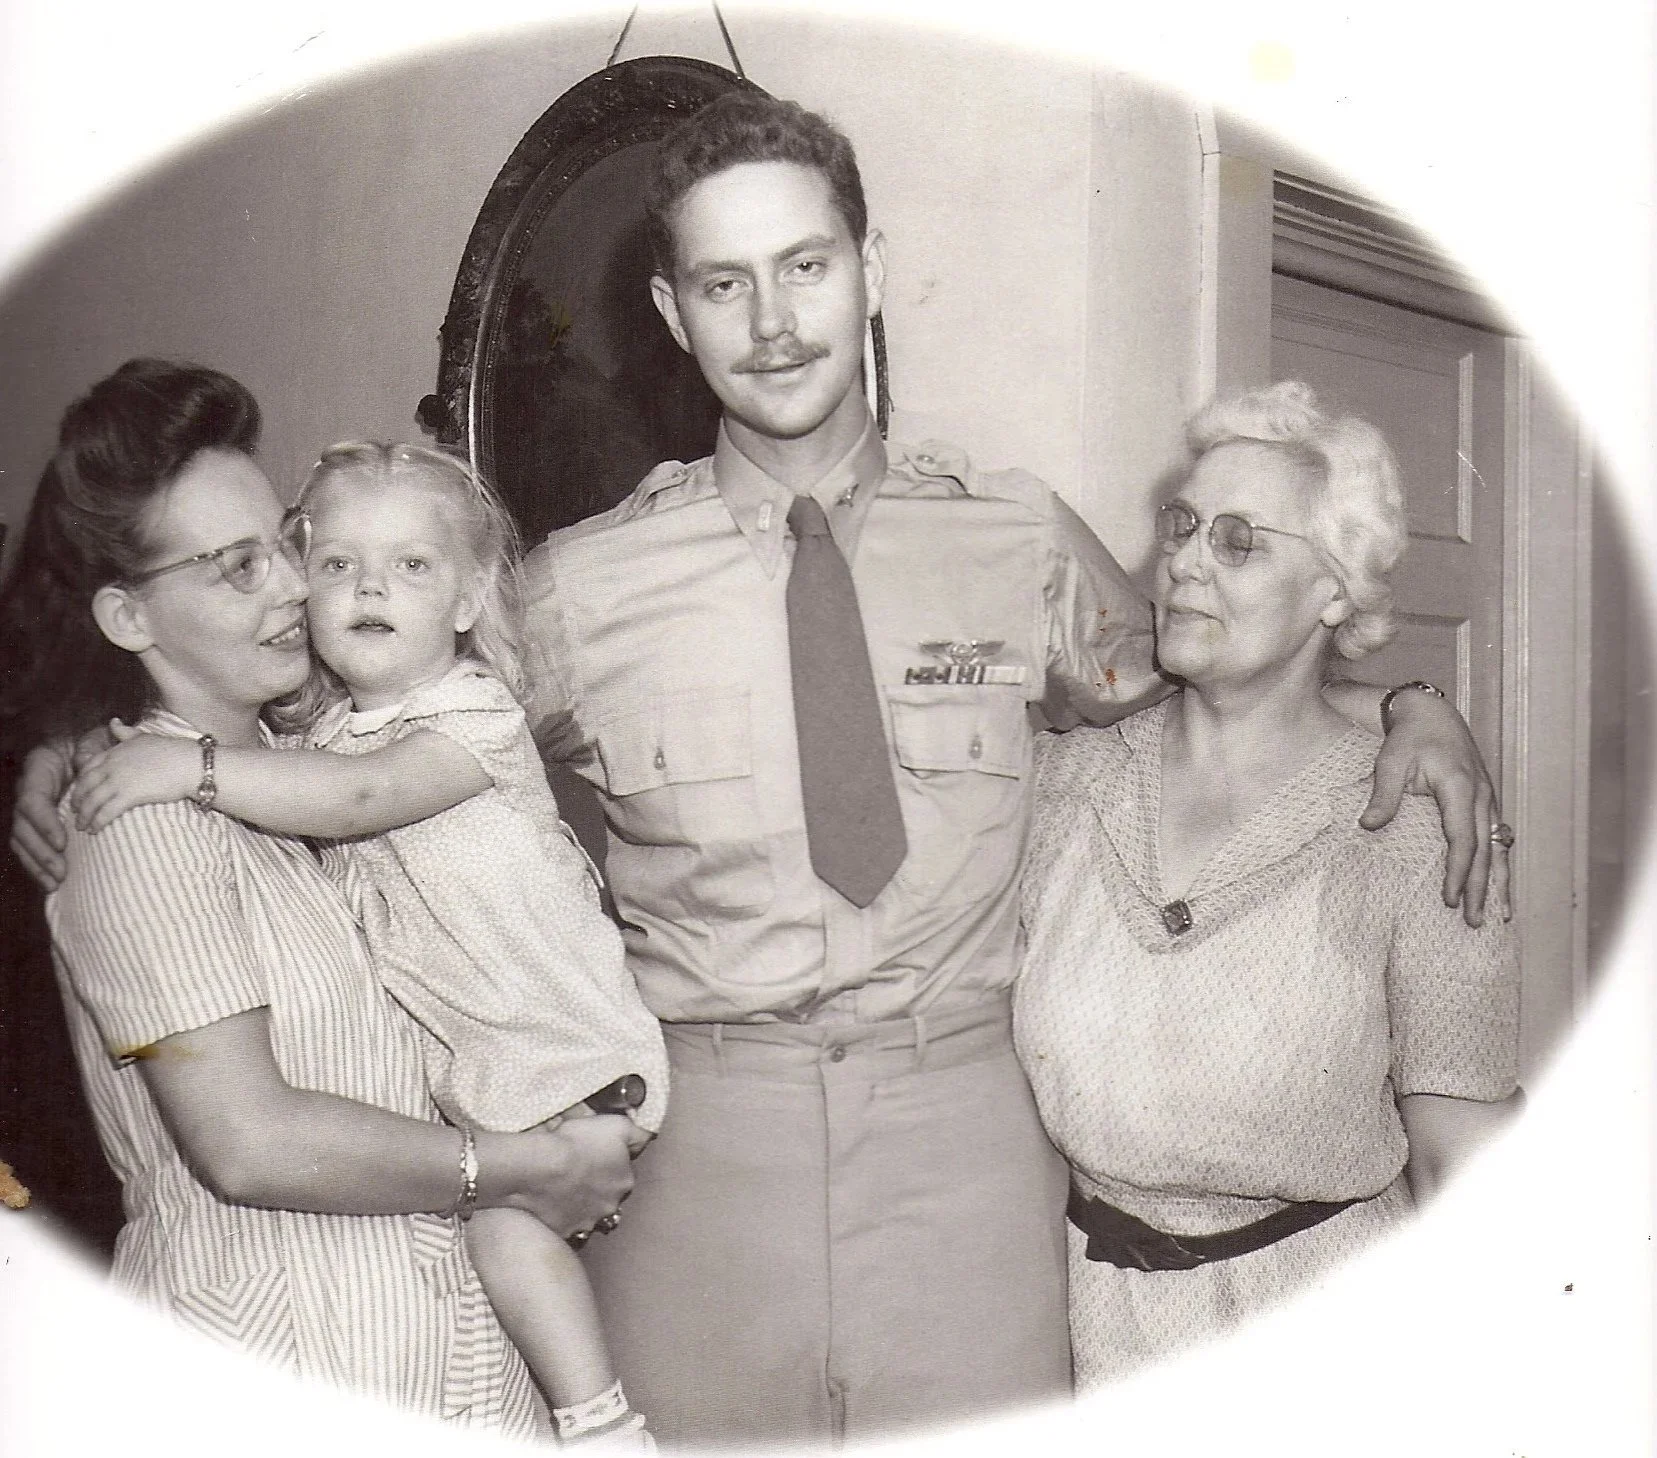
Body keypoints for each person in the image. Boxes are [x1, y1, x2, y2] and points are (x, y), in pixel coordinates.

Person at [11, 99, 1500, 1447]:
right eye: (722, 284)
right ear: (670, 311)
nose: (772, 323)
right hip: (692, 1158)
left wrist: (1411, 709)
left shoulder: (1012, 534)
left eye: (804, 267)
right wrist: (85, 745)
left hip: (968, 1151)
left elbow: (1211, 673)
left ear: (868, 268)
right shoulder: (578, 588)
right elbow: (338, 718)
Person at [0, 361, 640, 1433]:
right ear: (126, 615)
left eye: (285, 543)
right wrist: (525, 1166)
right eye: (234, 567)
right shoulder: (142, 822)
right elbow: (248, 1144)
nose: (295, 587)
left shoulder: (312, 761)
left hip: (442, 1358)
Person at [1014, 381, 1522, 1387]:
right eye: (1184, 524)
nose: (1186, 562)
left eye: (1239, 539)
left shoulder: (1419, 815)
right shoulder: (1067, 781)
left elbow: (1462, 1152)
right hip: (1082, 1329)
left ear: (1333, 592)